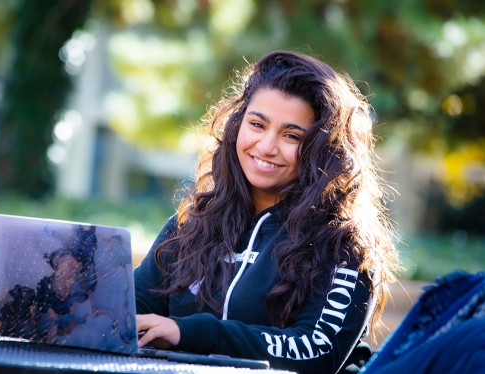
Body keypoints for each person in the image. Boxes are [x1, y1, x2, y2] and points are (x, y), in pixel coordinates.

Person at [133, 50, 400, 374]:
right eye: (257, 124)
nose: (266, 146)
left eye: (291, 135)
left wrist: (191, 333)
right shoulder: (193, 224)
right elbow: (132, 310)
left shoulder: (343, 244)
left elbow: (316, 352)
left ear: (324, 148)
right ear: (236, 125)